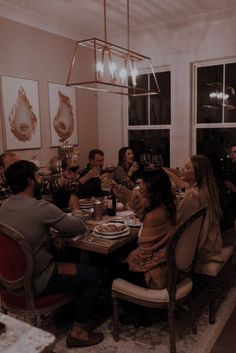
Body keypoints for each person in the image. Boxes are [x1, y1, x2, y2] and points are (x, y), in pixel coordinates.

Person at [0, 160, 104, 347]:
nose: (40, 179)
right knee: (94, 275)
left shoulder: (4, 207)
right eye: (38, 176)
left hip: (9, 283)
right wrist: (76, 208)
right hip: (38, 280)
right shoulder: (40, 207)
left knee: (68, 257)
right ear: (30, 181)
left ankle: (71, 309)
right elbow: (77, 227)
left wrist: (50, 235)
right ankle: (79, 332)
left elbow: (24, 233)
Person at [169, 155, 223, 264]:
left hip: (198, 246)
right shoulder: (208, 189)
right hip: (212, 241)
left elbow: (178, 222)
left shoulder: (192, 194)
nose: (183, 170)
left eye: (187, 168)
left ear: (197, 174)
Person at [224, 143, 236, 218]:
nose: (231, 154)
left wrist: (233, 189)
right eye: (231, 152)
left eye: (235, 152)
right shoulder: (231, 167)